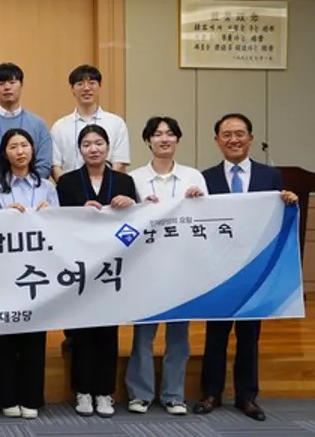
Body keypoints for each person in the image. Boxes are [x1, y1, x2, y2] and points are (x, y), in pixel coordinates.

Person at [193, 113, 298, 422]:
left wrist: (290, 202)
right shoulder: (205, 178)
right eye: (226, 134)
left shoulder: (271, 176)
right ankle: (211, 393)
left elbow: (278, 217)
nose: (234, 139)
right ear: (217, 141)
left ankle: (247, 397)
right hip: (218, 270)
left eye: (240, 133)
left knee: (249, 335)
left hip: (255, 269)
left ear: (251, 138)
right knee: (216, 333)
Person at [125, 116, 207, 416]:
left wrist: (198, 201)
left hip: (183, 266)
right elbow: (124, 222)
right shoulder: (134, 179)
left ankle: (174, 395)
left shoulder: (193, 177)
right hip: (146, 267)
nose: (164, 139)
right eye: (157, 134)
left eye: (170, 134)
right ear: (148, 140)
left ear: (178, 140)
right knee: (143, 335)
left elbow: (207, 219)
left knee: (179, 335)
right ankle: (140, 394)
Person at [55, 124, 137, 418]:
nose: (93, 148)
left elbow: (137, 222)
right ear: (79, 150)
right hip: (79, 265)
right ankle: (82, 391)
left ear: (108, 147)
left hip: (113, 265)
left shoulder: (125, 181)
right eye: (87, 144)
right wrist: (80, 209)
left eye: (99, 143)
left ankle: (104, 392)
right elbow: (58, 222)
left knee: (107, 331)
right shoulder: (67, 182)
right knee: (82, 332)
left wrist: (132, 205)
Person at [0, 128, 58, 420]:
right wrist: (4, 217)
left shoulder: (47, 186)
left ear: (32, 150)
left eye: (24, 145)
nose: (20, 151)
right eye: (13, 146)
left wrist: (49, 214)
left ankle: (31, 397)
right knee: (4, 336)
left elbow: (62, 225)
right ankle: (5, 397)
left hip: (37, 268)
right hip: (3, 270)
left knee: (34, 335)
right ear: (5, 153)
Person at [0, 62, 52, 180]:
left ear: (21, 85)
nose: (7, 87)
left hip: (31, 188)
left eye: (12, 82)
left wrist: (26, 184)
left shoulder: (38, 124)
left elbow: (44, 164)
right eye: (1, 83)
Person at [50, 65, 130, 181]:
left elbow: (120, 162)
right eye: (80, 84)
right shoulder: (60, 126)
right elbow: (55, 166)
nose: (86, 88)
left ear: (100, 85)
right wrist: (68, 187)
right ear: (72, 88)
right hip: (70, 190)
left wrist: (105, 187)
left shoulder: (116, 123)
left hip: (108, 189)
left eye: (92, 83)